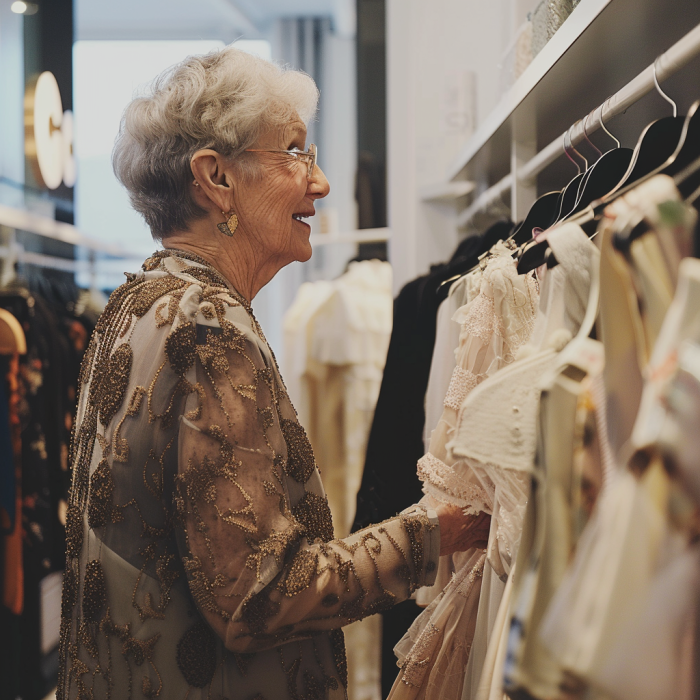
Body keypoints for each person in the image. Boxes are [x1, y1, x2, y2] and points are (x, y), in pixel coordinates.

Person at [57, 46, 490, 700]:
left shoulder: (138, 302)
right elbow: (258, 597)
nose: (317, 182)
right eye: (295, 152)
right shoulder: (209, 330)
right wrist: (436, 531)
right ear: (215, 177)